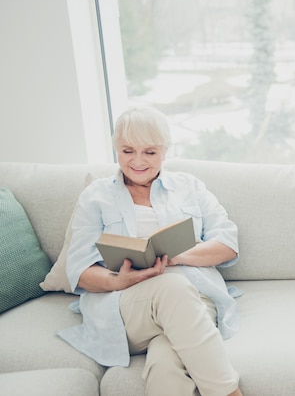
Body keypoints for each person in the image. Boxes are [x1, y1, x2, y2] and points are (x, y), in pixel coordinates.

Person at [58, 106, 243, 396]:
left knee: (166, 363)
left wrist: (176, 255)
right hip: (127, 306)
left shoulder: (189, 186)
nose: (138, 161)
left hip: (193, 301)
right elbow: (79, 271)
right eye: (128, 150)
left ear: (165, 151)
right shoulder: (96, 196)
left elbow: (227, 244)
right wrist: (116, 281)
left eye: (150, 152)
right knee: (171, 286)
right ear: (116, 149)